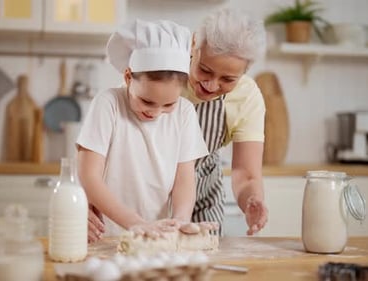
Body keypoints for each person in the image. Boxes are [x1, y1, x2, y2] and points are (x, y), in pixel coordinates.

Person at [88, 8, 269, 241]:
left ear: (245, 71)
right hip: (142, 198)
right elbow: (100, 151)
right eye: (205, 70)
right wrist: (87, 197)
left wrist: (253, 201)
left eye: (228, 79)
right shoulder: (159, 68)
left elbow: (246, 173)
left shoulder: (247, 98)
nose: (212, 85)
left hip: (201, 197)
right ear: (194, 45)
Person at [76, 19, 210, 237]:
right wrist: (135, 223)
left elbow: (184, 180)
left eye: (168, 104)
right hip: (104, 234)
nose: (155, 112)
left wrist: (180, 220)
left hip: (154, 237)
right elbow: (88, 175)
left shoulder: (185, 112)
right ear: (128, 77)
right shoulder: (108, 103)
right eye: (147, 101)